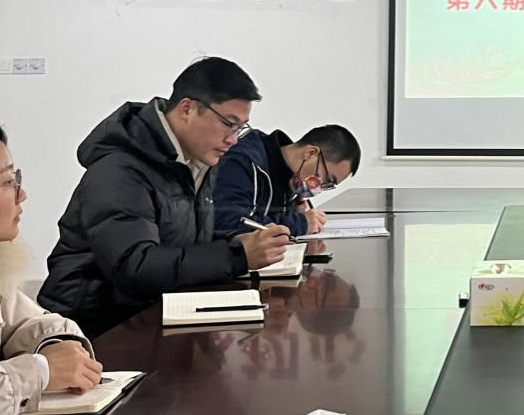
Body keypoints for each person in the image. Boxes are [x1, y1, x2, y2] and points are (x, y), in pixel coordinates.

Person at [38, 57, 291, 337]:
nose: (233, 139)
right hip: (95, 328)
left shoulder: (195, 160)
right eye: (228, 124)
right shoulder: (120, 169)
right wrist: (237, 257)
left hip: (154, 312)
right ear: (187, 109)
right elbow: (134, 267)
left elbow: (181, 238)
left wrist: (236, 241)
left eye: (240, 128)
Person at [0, 115, 101, 415]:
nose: (21, 195)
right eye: (7, 182)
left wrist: (59, 347)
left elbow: (29, 322)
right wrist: (40, 371)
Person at [213, 124, 361, 237]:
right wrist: (300, 223)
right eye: (327, 179)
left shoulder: (291, 176)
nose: (320, 187)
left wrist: (294, 211)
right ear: (311, 153)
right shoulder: (244, 161)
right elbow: (228, 222)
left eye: (329, 186)